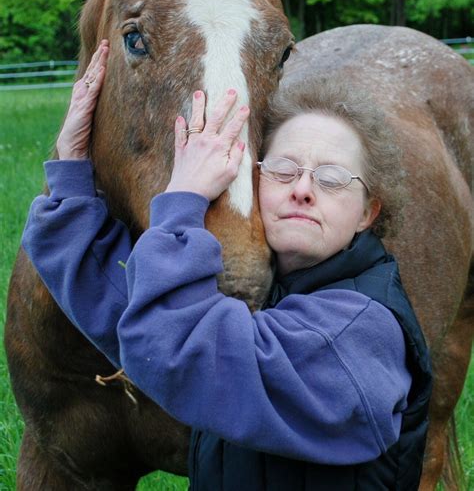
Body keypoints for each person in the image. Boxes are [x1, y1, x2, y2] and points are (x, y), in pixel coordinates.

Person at [21, 41, 432, 490]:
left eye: (331, 178)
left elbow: (177, 346)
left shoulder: (358, 335)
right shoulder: (278, 296)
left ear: (368, 213)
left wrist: (183, 200)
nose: (303, 189)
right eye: (282, 169)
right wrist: (72, 166)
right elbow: (127, 311)